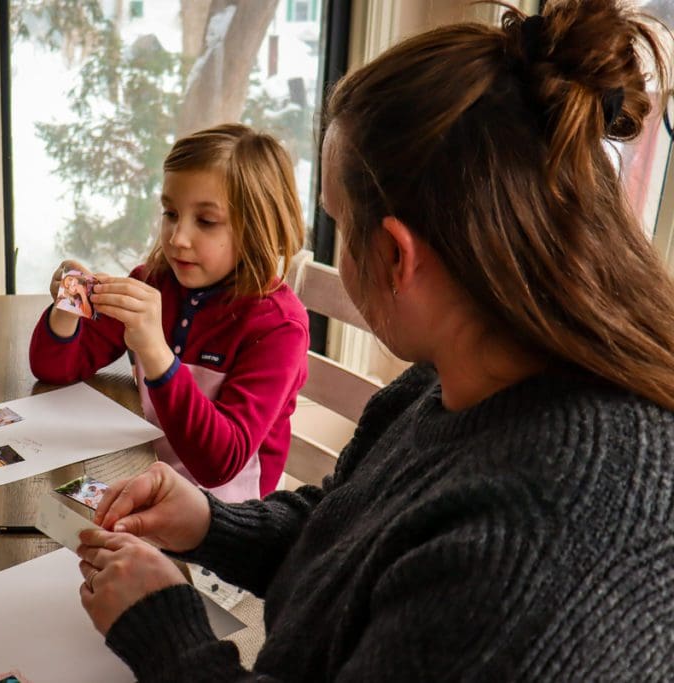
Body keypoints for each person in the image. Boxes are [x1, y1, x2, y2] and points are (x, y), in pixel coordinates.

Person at [73, 2, 674, 680]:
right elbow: (349, 530)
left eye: (336, 222)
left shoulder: (539, 561)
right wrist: (212, 525)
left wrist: (166, 630)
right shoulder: (451, 376)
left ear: (394, 254)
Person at [29, 124, 308, 501]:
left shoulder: (279, 328)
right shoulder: (153, 283)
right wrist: (67, 305)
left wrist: (156, 353)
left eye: (206, 221)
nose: (178, 237)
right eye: (171, 213)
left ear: (260, 227)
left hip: (226, 518)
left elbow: (218, 465)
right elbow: (54, 369)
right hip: (144, 475)